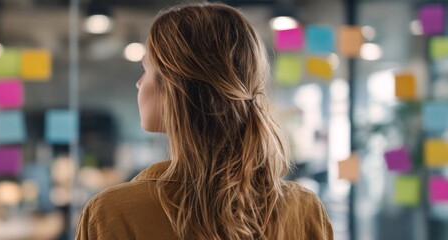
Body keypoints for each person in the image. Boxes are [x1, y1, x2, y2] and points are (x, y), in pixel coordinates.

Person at [76, 2, 333, 239]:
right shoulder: (304, 209)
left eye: (147, 69)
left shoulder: (113, 213)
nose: (139, 83)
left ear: (175, 88)